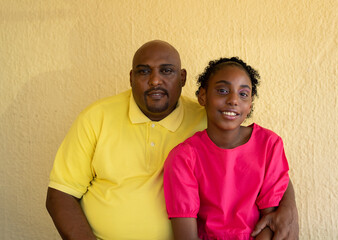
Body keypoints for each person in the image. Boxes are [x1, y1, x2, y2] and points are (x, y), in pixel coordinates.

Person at [46, 40, 299, 240]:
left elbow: (263, 161)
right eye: (144, 72)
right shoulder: (96, 118)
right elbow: (60, 194)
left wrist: (289, 208)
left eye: (166, 71)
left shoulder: (210, 117)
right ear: (131, 77)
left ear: (183, 78)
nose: (155, 80)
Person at [163, 57, 289, 240]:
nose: (233, 100)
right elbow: (186, 235)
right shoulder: (184, 157)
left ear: (250, 104)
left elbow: (270, 220)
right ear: (203, 96)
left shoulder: (269, 145)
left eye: (243, 94)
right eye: (223, 91)